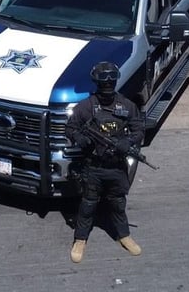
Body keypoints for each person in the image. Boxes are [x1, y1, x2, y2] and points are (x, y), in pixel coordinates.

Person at [65, 61, 145, 263]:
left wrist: (128, 142)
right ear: (96, 82)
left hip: (116, 166)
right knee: (88, 205)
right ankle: (80, 239)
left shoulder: (126, 106)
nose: (108, 85)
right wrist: (80, 139)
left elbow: (138, 129)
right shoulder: (86, 107)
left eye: (111, 81)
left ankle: (124, 235)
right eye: (103, 81)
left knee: (118, 203)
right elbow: (70, 127)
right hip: (94, 166)